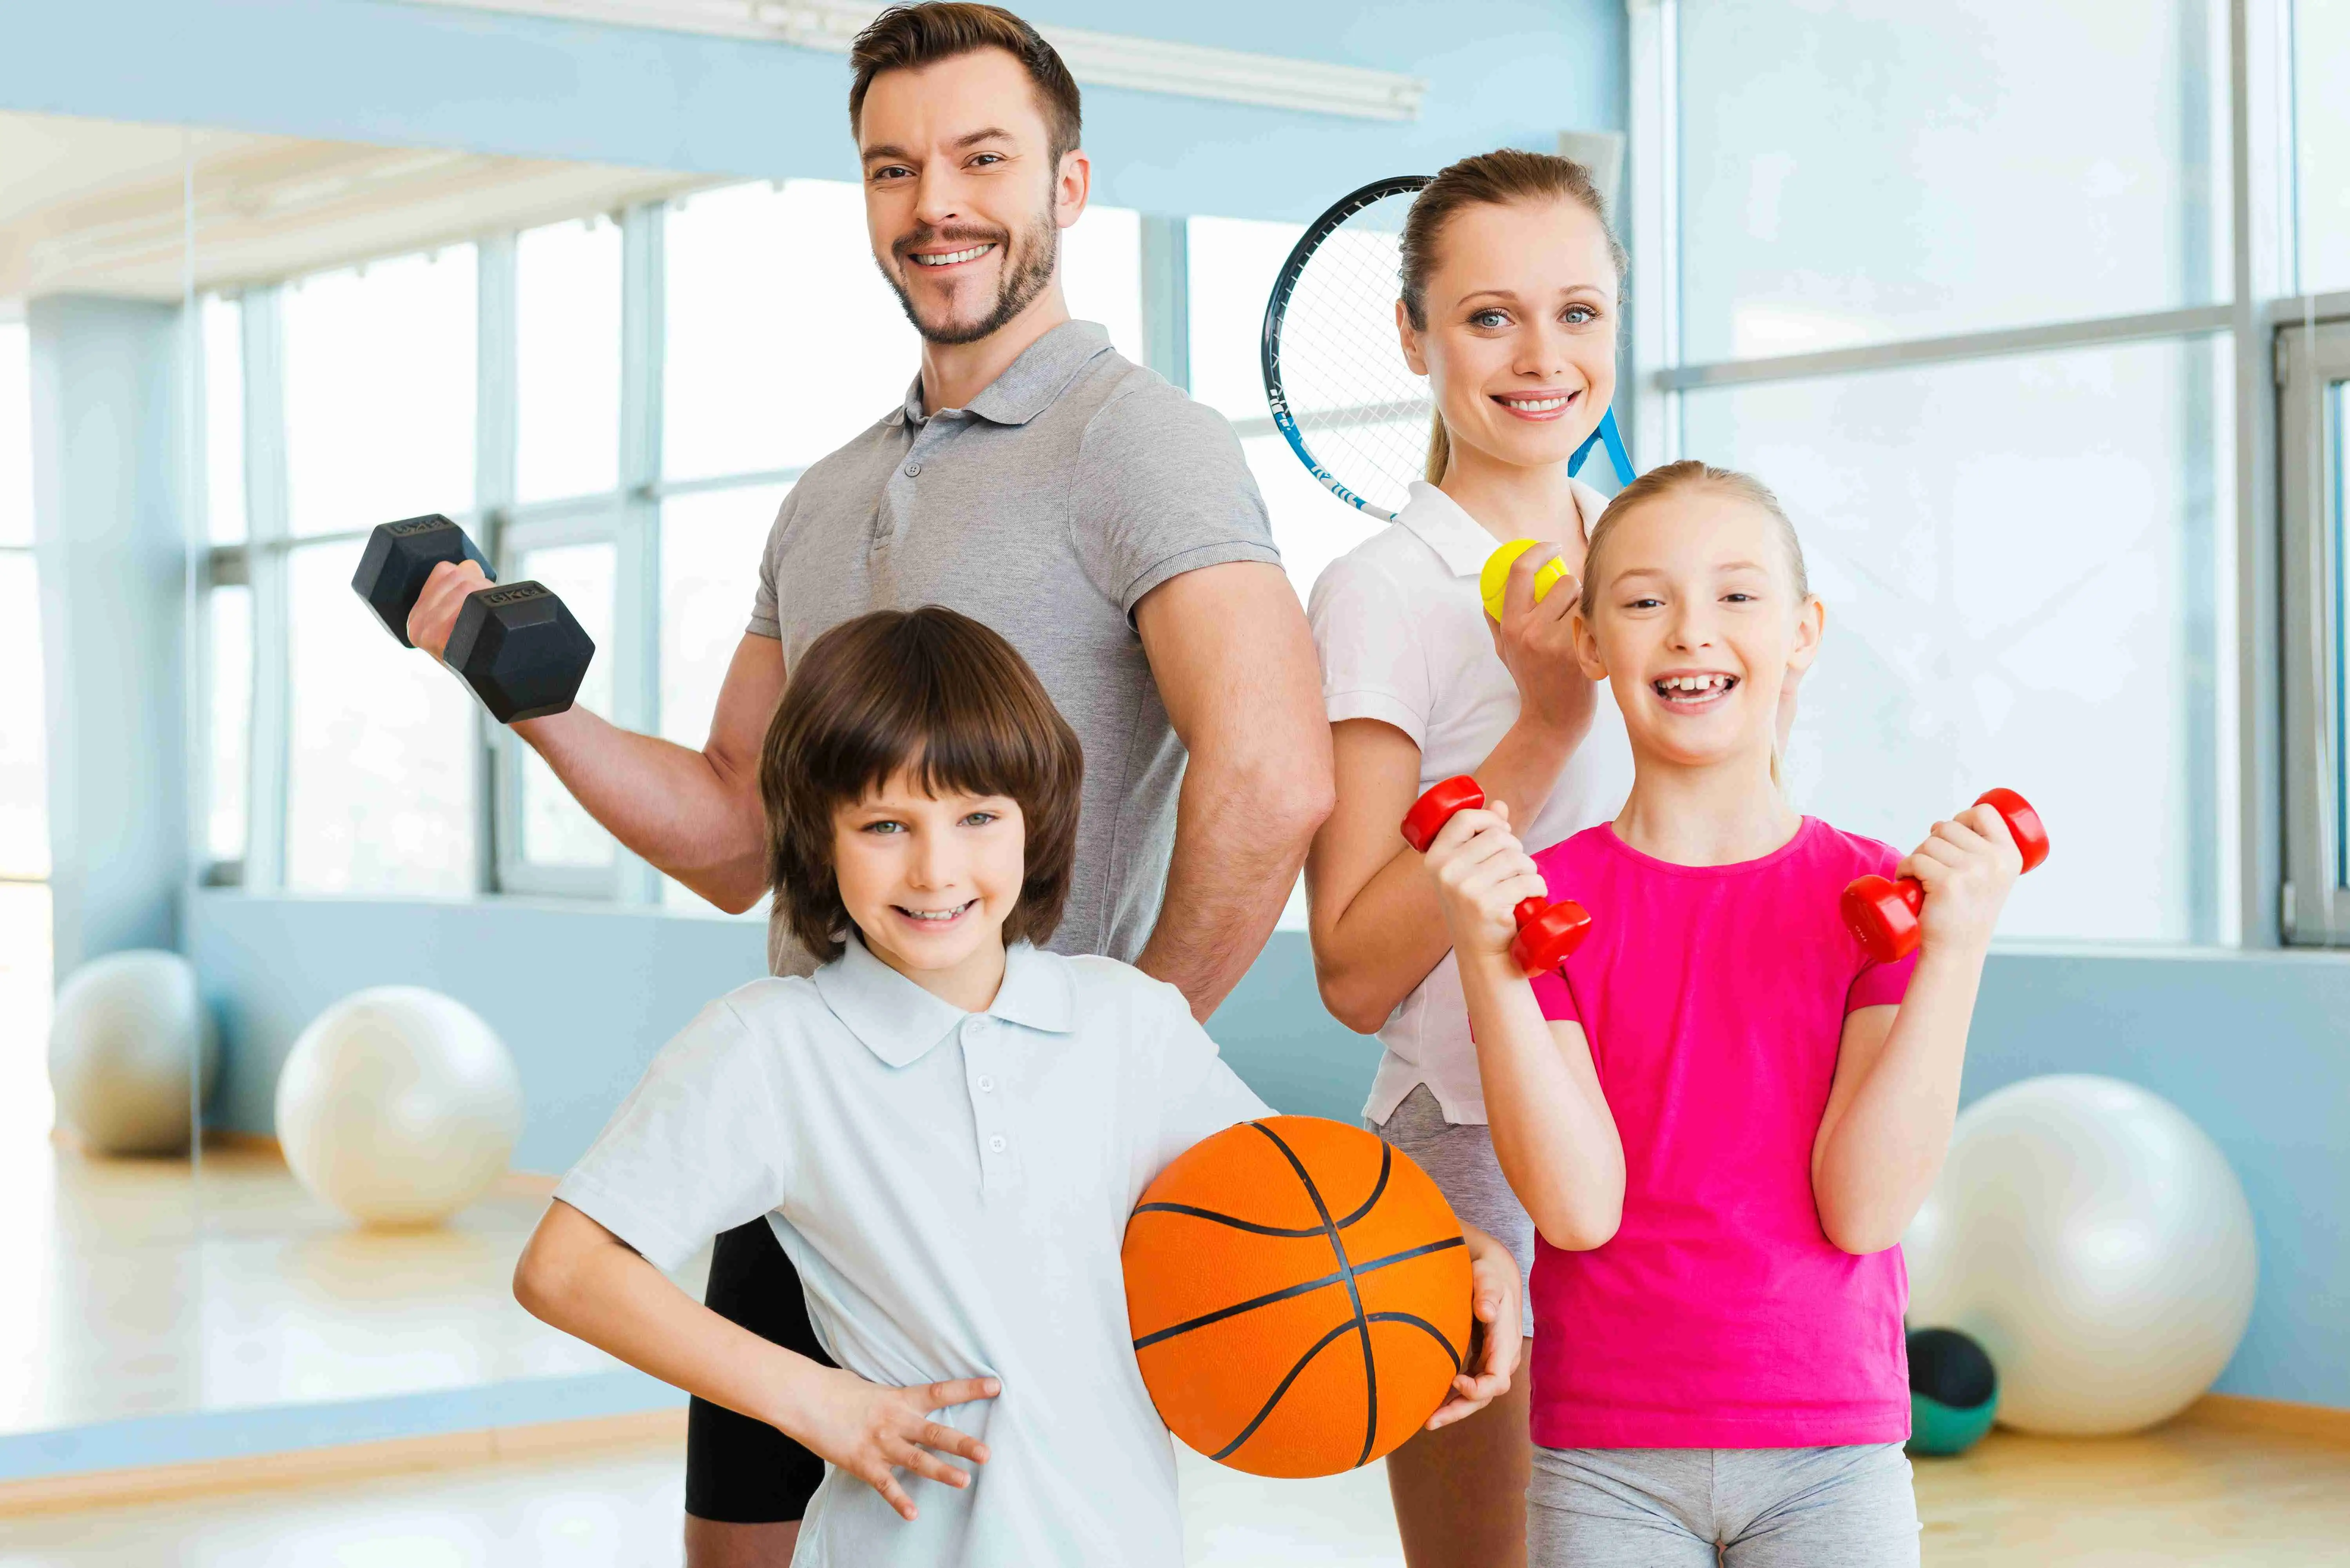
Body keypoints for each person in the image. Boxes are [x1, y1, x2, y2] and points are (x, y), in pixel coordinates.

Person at [403, 6, 1331, 1561]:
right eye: (892, 169)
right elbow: (727, 833)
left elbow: (1272, 774)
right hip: (811, 1132)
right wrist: (530, 706)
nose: (935, 204)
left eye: (982, 158)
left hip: (991, 1166)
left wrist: (1102, 1065)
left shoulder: (1144, 445)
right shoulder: (828, 492)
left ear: (1070, 185)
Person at [513, 607, 1521, 1567]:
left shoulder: (1127, 1022)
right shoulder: (773, 1047)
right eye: (882, 826)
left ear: (1034, 822)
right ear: (817, 834)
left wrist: (1464, 1261)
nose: (935, 868)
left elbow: (1318, 1221)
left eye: (976, 816)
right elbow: (564, 1269)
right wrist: (811, 1400)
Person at [1423, 460, 2025, 1567]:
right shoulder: (1536, 905)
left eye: (1736, 597)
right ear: (1594, 645)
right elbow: (1576, 1207)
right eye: (1646, 600)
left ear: (1802, 633)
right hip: (1605, 1460)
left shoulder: (1877, 897)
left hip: (1830, 1451)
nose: (1692, 632)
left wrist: (1955, 952)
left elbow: (1865, 1207)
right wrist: (1481, 952)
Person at [1301, 148, 1632, 1568]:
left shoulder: (1649, 561)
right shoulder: (1378, 595)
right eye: (1490, 316)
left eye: (1579, 312)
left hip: (1653, 1137)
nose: (1540, 356)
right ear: (1413, 338)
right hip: (1466, 1156)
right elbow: (1353, 967)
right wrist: (1542, 732)